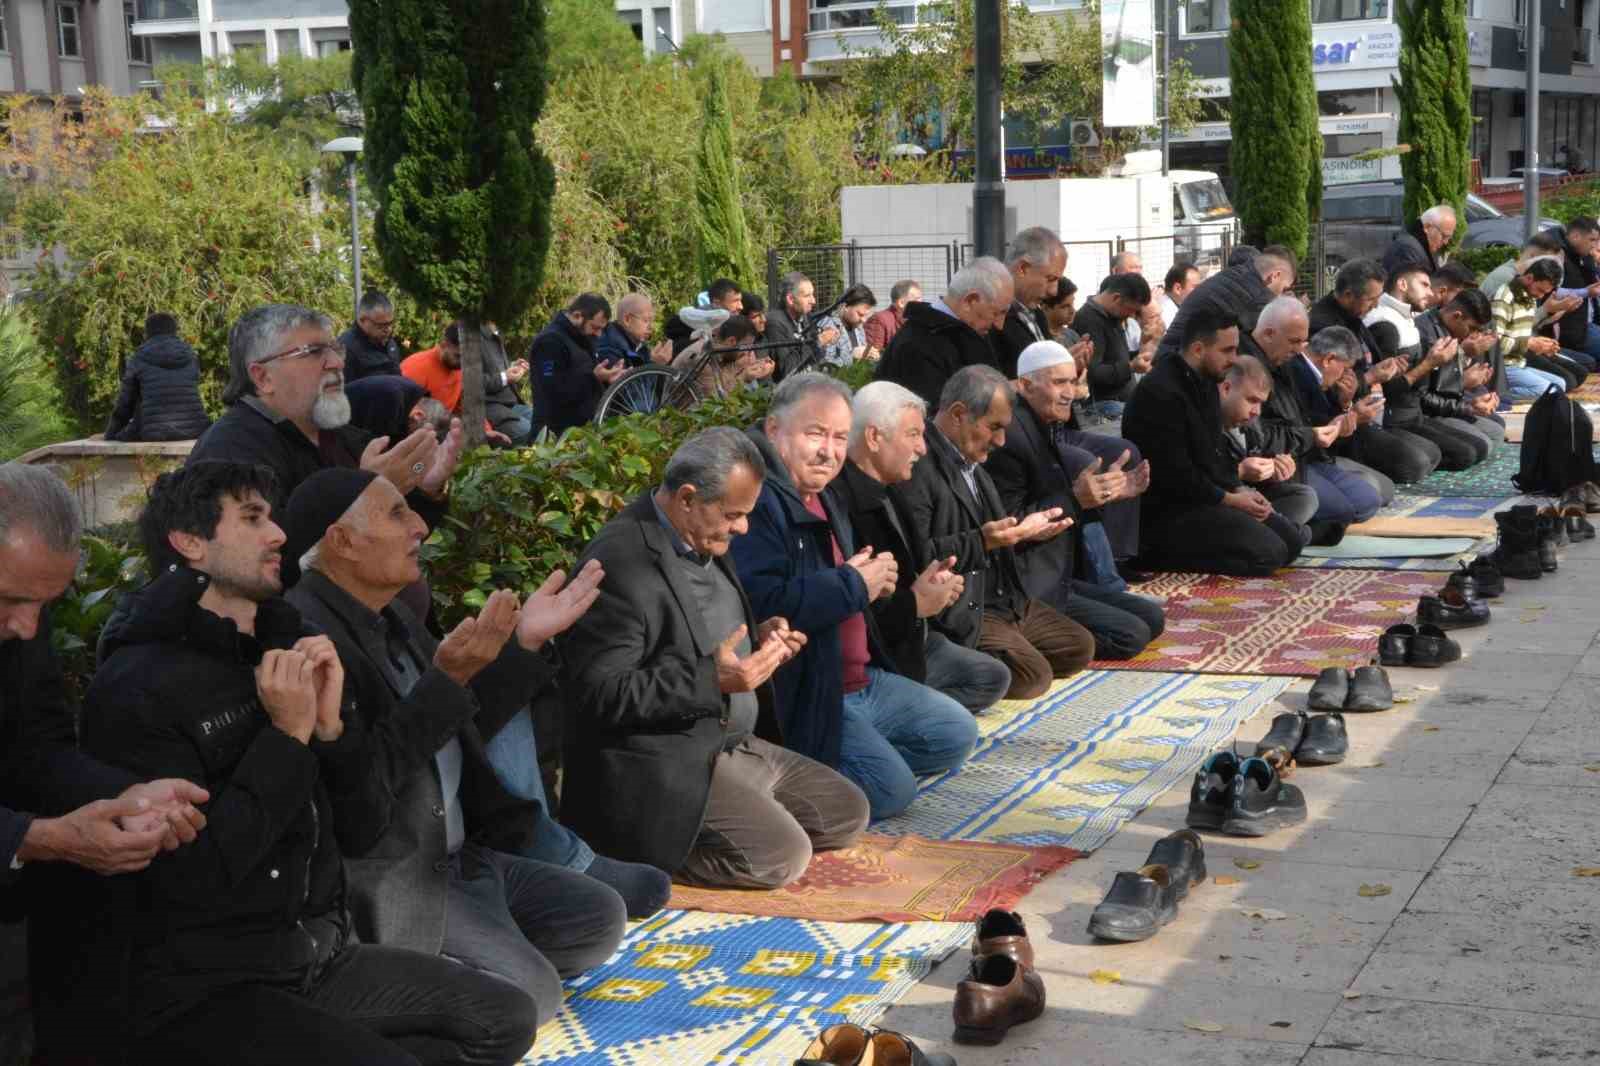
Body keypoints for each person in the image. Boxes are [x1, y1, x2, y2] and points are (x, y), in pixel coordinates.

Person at [82, 462, 539, 1066]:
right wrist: (286, 737)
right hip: (212, 986)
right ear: (190, 543)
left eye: (271, 517)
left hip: (316, 954)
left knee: (505, 1017)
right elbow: (195, 882)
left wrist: (331, 733)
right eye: (252, 518)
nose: (277, 535)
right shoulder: (138, 684)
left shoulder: (291, 639)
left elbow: (363, 827)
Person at [281, 470, 650, 1028]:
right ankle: (428, 962)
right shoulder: (310, 637)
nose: (419, 528)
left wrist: (526, 641)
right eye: (397, 515)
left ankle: (474, 947)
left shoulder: (393, 615)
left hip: (463, 859)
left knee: (600, 916)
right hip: (400, 875)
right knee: (531, 998)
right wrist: (448, 680)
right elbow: (362, 796)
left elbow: (460, 719)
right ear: (342, 541)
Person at [560, 427, 870, 888]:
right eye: (733, 515)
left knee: (848, 813)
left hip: (734, 742)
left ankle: (736, 814)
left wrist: (760, 639)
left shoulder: (702, 536)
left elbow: (705, 629)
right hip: (670, 757)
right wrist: (713, 682)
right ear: (687, 498)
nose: (743, 527)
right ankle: (648, 853)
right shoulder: (621, 562)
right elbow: (597, 692)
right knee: (782, 858)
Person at [0, 464, 212, 1061]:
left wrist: (129, 795)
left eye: (45, 603)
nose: (27, 627)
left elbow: (36, 747)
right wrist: (36, 838)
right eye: (12, 600)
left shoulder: (23, 606)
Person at [730, 374, 978, 820]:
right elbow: (763, 602)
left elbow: (846, 588)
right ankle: (805, 775)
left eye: (839, 437)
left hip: (863, 678)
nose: (829, 450)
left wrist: (877, 586)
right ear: (773, 430)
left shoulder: (826, 493)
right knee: (892, 792)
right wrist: (853, 584)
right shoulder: (759, 500)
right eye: (815, 433)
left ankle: (852, 757)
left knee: (956, 732)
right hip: (814, 691)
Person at [188, 304, 463, 594]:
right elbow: (260, 574)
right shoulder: (229, 455)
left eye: (334, 348)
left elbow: (399, 538)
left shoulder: (343, 437)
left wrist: (426, 487)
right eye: (314, 352)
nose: (336, 362)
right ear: (263, 377)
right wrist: (363, 498)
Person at [890, 365, 1096, 700]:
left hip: (1007, 600)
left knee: (1079, 647)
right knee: (1034, 676)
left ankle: (1007, 646)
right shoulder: (920, 468)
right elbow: (915, 553)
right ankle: (973, 659)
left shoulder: (973, 462)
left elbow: (998, 532)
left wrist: (1026, 533)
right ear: (959, 415)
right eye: (994, 428)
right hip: (967, 607)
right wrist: (983, 541)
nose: (1000, 441)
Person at [833, 381, 1013, 712]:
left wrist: (934, 582)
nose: (923, 449)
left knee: (993, 677)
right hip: (879, 654)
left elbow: (917, 562)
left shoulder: (892, 488)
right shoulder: (842, 503)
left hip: (917, 634)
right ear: (874, 437)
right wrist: (915, 604)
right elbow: (861, 618)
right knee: (952, 728)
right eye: (913, 435)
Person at [986, 341, 1165, 661]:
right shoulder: (1010, 437)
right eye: (1059, 383)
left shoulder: (1044, 427)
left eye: (1073, 381)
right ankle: (1032, 637)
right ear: (1026, 385)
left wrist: (1107, 494)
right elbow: (1013, 524)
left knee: (1152, 618)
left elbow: (1066, 505)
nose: (1071, 392)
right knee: (1130, 635)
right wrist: (1078, 498)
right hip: (1028, 585)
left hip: (1057, 576)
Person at [1122, 307, 1305, 575]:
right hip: (1171, 510)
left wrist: (1239, 490)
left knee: (1291, 542)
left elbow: (1213, 457)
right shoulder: (1161, 392)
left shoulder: (1207, 382)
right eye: (1227, 350)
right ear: (1198, 350)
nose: (1234, 359)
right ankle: (1158, 557)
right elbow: (1175, 476)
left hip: (1207, 497)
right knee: (1270, 554)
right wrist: (1229, 500)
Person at [1242, 296, 1383, 535]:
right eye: (1294, 341)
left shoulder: (1284, 362)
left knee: (1371, 496)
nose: (1300, 350)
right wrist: (1311, 436)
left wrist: (1343, 412)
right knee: (1339, 511)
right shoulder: (1247, 367)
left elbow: (1305, 419)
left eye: (1302, 342)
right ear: (1268, 334)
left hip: (1304, 456)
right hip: (1276, 465)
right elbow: (1255, 433)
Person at [1310, 258, 1442, 486]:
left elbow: (1370, 362)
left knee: (1431, 454)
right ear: (1349, 295)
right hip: (1341, 421)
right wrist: (1371, 377)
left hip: (1370, 412)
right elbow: (1332, 384)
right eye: (1371, 300)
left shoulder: (1354, 316)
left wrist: (1387, 367)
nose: (1374, 307)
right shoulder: (1324, 324)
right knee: (1415, 464)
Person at [1366, 268, 1493, 471]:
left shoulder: (1407, 320)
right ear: (1402, 284)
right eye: (1424, 285)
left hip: (1414, 413)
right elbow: (1391, 390)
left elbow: (1422, 389)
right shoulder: (1386, 323)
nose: (1430, 292)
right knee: (1432, 459)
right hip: (1393, 419)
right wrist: (1432, 365)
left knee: (1476, 447)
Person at [875, 257, 1012, 408]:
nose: (1000, 325)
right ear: (970, 301)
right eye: (997, 313)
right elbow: (935, 420)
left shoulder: (961, 332)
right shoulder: (918, 345)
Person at [1290, 325, 1398, 506]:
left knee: (1385, 489)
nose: (1344, 376)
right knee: (1368, 496)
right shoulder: (1297, 373)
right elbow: (1312, 430)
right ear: (1329, 359)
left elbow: (1338, 435)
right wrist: (1353, 417)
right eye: (1344, 368)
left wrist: (1345, 404)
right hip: (1302, 463)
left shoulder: (1322, 377)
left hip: (1325, 457)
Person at [1218, 355, 1319, 544]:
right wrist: (1240, 471)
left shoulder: (1250, 424)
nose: (1256, 411)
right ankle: (1286, 532)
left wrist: (1274, 470)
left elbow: (1255, 476)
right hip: (1222, 503)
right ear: (1226, 388)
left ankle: (1283, 531)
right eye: (1251, 400)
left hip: (1247, 500)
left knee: (1305, 495)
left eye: (1261, 403)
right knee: (1285, 544)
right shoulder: (1205, 421)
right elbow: (1199, 479)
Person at [1159, 245, 1297, 359]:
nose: (1280, 295)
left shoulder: (1238, 275)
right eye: (1284, 289)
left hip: (1171, 357)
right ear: (1275, 276)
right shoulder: (1256, 294)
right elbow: (1264, 346)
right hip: (1180, 365)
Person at [1414, 287, 1506, 454]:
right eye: (1473, 329)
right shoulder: (1425, 335)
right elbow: (1423, 396)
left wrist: (1478, 397)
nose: (1475, 336)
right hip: (1427, 413)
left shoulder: (1452, 331)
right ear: (1457, 316)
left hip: (1446, 404)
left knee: (1497, 427)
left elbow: (1451, 382)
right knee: (1482, 444)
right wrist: (1463, 387)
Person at [400, 322, 515, 446]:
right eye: (458, 356)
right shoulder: (415, 369)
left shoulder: (460, 368)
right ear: (444, 344)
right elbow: (401, 417)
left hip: (442, 434)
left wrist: (486, 431)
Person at [529, 293, 626, 436]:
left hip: (582, 431)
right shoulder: (549, 342)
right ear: (577, 316)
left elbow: (585, 381)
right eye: (595, 327)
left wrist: (607, 379)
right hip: (555, 437)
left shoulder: (582, 337)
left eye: (601, 329)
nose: (599, 334)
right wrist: (594, 378)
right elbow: (550, 390)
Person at [105, 313, 212, 442]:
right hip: (196, 430)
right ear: (174, 330)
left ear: (148, 332)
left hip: (152, 432)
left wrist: (111, 434)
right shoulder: (191, 355)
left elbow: (125, 403)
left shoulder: (139, 357)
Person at [1491, 257, 1581, 398]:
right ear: (1529, 278)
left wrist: (1542, 344)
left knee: (1560, 385)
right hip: (1503, 365)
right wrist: (1530, 344)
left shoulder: (1530, 296)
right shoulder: (1504, 297)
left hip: (1518, 362)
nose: (1540, 295)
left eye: (1545, 293)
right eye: (1540, 290)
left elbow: (1520, 332)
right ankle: (1494, 395)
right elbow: (1493, 342)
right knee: (1550, 391)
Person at [991, 227, 1068, 378]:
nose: (1054, 291)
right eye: (1050, 279)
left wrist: (1065, 367)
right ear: (1022, 268)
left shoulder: (1036, 313)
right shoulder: (989, 317)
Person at [1074, 272, 1153, 418]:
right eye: (1130, 310)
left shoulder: (1112, 316)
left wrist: (1140, 352)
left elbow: (1115, 357)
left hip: (1120, 401)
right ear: (1116, 298)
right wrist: (1131, 367)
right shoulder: (1089, 320)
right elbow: (1093, 373)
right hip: (1103, 406)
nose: (1131, 315)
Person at [671, 314, 773, 399]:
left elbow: (724, 378)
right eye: (746, 346)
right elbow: (716, 400)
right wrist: (743, 376)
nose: (748, 352)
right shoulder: (703, 356)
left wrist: (753, 366)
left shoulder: (722, 351)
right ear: (731, 341)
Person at [765, 272, 839, 378]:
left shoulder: (803, 317)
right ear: (790, 299)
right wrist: (818, 341)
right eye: (807, 296)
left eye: (812, 295)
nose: (813, 301)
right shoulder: (775, 323)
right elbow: (788, 370)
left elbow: (816, 357)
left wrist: (824, 341)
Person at [1551, 217, 1600, 367]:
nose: (1594, 245)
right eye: (1591, 240)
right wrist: (1585, 292)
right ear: (1575, 236)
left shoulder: (1585, 258)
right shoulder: (1558, 256)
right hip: (1574, 330)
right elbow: (1550, 292)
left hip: (1589, 324)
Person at [665, 279, 743, 355]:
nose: (741, 306)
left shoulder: (733, 328)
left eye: (740, 301)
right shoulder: (686, 338)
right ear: (716, 303)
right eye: (735, 301)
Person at [339, 291, 403, 381]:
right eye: (381, 326)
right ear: (362, 320)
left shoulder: (390, 344)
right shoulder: (345, 349)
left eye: (390, 324)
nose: (388, 330)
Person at [598, 292, 675, 368]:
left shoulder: (638, 346)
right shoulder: (609, 347)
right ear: (627, 319)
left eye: (652, 321)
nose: (651, 327)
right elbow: (632, 380)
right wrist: (655, 366)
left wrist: (653, 361)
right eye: (646, 320)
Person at [1382, 204, 1456, 279]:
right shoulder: (1407, 250)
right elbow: (1413, 288)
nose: (1446, 242)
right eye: (1444, 236)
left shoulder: (1421, 246)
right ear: (1427, 227)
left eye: (1449, 238)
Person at [816, 284, 878, 366]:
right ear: (845, 307)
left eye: (866, 315)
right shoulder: (828, 326)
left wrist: (870, 355)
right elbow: (825, 365)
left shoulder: (858, 326)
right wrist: (852, 356)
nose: (864, 320)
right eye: (860, 314)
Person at [864, 279, 922, 352]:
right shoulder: (880, 319)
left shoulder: (917, 321)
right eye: (917, 299)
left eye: (921, 298)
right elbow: (872, 356)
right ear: (901, 303)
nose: (921, 302)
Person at [1159, 261, 1201, 328]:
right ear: (1178, 288)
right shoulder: (1167, 315)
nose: (1200, 291)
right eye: (1195, 287)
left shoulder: (1174, 306)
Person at [1041, 277, 1080, 343]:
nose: (1072, 311)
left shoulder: (1073, 336)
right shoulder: (1038, 338)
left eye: (1072, 303)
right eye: (1065, 306)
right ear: (1046, 308)